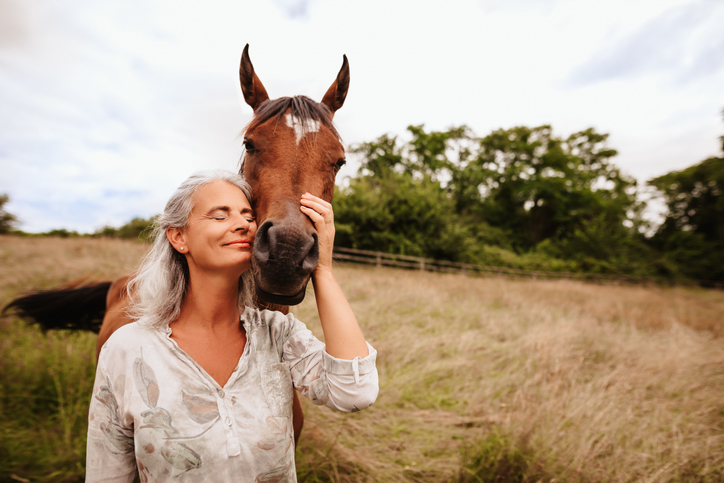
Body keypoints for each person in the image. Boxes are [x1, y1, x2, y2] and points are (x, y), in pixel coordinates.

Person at [85, 170, 378, 482]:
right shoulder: (127, 349)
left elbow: (354, 393)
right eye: (220, 215)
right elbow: (107, 474)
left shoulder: (277, 334)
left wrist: (322, 269)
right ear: (178, 237)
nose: (242, 225)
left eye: (248, 216)